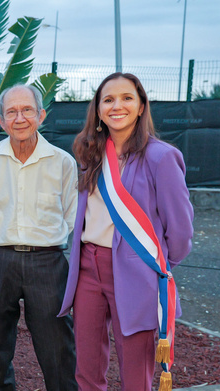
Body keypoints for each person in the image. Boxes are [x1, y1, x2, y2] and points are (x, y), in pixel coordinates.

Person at [59, 73, 194, 391]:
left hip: (136, 272)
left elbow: (182, 233)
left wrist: (152, 264)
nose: (117, 105)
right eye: (108, 99)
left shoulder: (161, 157)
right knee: (87, 369)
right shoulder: (89, 154)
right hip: (88, 268)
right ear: (98, 109)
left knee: (136, 373)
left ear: (141, 106)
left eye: (126, 98)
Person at [0, 84, 78, 391]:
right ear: (2, 121)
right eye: (11, 112)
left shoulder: (63, 163)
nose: (20, 118)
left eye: (27, 110)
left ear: (41, 115)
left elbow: (72, 216)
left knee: (57, 348)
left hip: (47, 263)